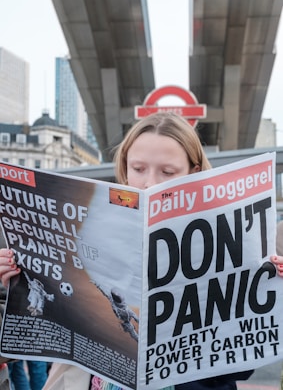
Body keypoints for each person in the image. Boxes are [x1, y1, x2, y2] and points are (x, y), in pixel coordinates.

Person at [0, 112, 282, 390]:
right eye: (138, 168)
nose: (150, 183)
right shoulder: (90, 229)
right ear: (124, 167)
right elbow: (53, 327)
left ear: (194, 173)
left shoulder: (230, 242)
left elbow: (240, 365)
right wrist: (19, 279)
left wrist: (268, 292)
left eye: (168, 172)